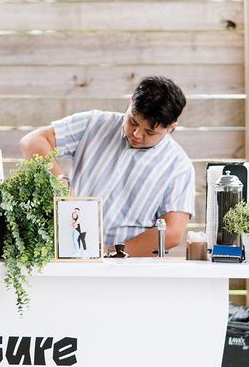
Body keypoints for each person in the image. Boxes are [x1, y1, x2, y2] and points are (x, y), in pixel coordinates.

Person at [20, 76, 194, 256]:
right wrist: (60, 183)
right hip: (69, 251)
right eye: (133, 121)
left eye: (149, 132)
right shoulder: (95, 123)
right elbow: (32, 141)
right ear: (131, 100)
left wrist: (107, 252)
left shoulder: (179, 167)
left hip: (127, 265)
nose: (136, 134)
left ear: (171, 127)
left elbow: (172, 234)